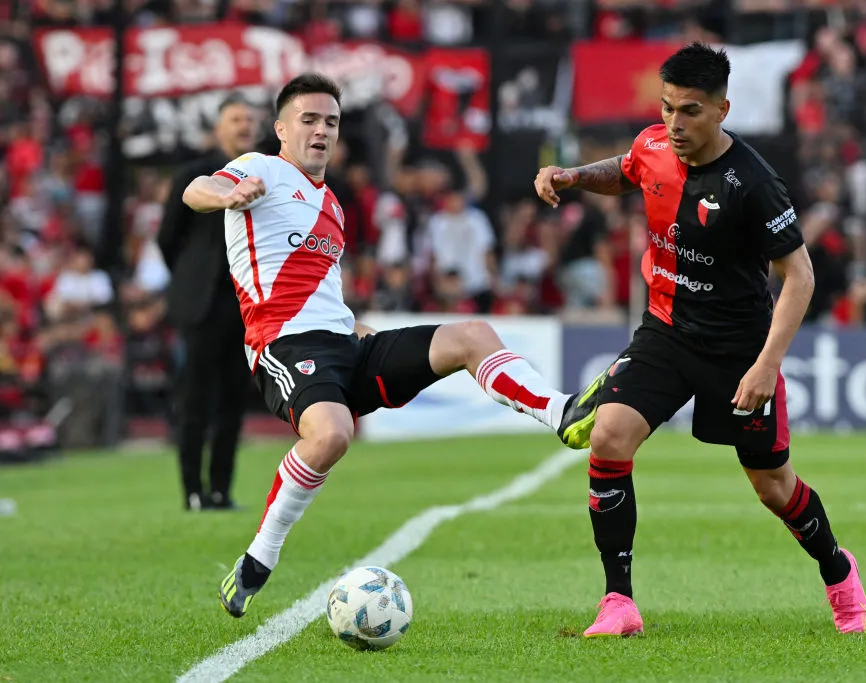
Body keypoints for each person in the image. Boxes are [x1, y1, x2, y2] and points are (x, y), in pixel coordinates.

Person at [181, 72, 597, 618]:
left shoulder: (331, 204)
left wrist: (355, 328)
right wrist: (228, 194)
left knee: (471, 335)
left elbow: (319, 285)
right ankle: (259, 558)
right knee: (332, 433)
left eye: (331, 121)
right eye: (308, 120)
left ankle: (562, 412)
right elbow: (196, 190)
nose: (322, 130)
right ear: (280, 129)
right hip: (283, 345)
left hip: (345, 342)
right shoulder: (258, 169)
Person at [533, 43, 866, 637]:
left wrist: (766, 365)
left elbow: (801, 276)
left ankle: (838, 570)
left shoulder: (754, 183)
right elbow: (629, 169)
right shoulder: (655, 143)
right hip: (664, 332)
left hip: (738, 350)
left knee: (772, 487)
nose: (674, 123)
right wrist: (575, 177)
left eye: (689, 111)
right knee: (609, 437)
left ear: (722, 109)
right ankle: (619, 602)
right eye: (666, 108)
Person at [158, 93, 257, 512]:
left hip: (244, 305)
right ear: (218, 127)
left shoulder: (265, 175)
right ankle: (192, 492)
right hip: (201, 304)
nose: (244, 126)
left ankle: (220, 490)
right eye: (236, 119)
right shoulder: (193, 175)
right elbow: (167, 238)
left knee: (235, 400)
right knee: (195, 400)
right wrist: (190, 278)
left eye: (249, 120)